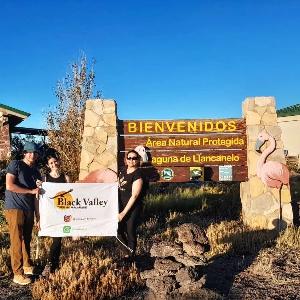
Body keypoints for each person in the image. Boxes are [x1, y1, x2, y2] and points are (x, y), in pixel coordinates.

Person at [4, 142, 41, 285]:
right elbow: (10, 185)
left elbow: (38, 194)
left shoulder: (36, 172)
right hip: (15, 208)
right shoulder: (16, 164)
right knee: (16, 240)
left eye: (35, 152)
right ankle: (17, 274)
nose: (32, 155)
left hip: (29, 208)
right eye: (29, 152)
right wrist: (31, 191)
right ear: (24, 153)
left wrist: (38, 216)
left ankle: (27, 266)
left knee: (26, 239)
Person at [38, 152, 70, 277]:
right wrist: (39, 216)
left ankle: (52, 265)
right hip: (50, 214)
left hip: (62, 213)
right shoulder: (44, 179)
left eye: (55, 161)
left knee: (58, 239)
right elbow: (39, 198)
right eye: (51, 163)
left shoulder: (65, 177)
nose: (54, 164)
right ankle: (50, 264)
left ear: (59, 162)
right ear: (48, 165)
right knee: (56, 239)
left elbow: (70, 196)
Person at [117, 149, 145, 260]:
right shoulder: (122, 171)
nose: (131, 160)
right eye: (129, 158)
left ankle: (130, 258)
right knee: (117, 230)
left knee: (130, 230)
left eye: (134, 158)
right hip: (120, 205)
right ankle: (127, 253)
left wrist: (123, 213)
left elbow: (134, 196)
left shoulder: (138, 175)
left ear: (138, 160)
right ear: (126, 159)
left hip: (132, 208)